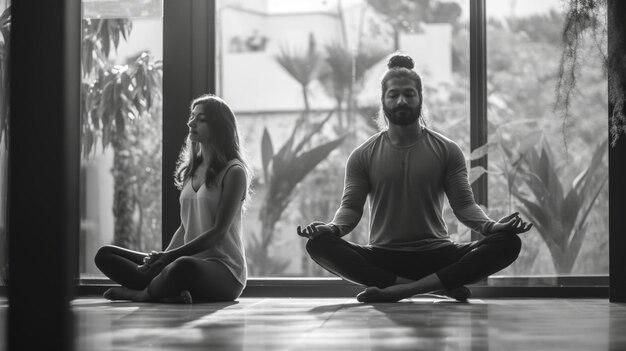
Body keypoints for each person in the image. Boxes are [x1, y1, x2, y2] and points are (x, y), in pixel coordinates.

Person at [297, 53, 532, 303]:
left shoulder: (447, 149)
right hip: (384, 257)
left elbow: (464, 205)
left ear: (419, 98)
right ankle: (435, 287)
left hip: (438, 255)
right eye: (394, 94)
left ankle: (400, 290)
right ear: (383, 100)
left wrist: (494, 227)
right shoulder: (362, 155)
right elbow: (350, 208)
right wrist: (331, 229)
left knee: (507, 243)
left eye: (409, 94)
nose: (401, 101)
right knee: (319, 245)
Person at [95, 94, 252, 303]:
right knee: (106, 255)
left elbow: (217, 233)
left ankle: (144, 295)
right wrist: (160, 261)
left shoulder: (234, 171)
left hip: (224, 271)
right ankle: (168, 292)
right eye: (192, 116)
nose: (191, 123)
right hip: (183, 264)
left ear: (219, 126)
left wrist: (170, 259)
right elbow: (185, 228)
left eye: (200, 119)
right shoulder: (192, 169)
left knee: (182, 266)